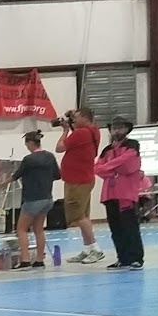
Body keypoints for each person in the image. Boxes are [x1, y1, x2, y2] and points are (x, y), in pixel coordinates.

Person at [94, 115, 145, 270]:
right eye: (114, 128)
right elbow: (97, 169)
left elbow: (129, 166)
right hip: (109, 194)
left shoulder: (132, 145)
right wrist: (114, 170)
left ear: (126, 129)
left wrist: (109, 167)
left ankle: (136, 258)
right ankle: (122, 258)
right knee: (115, 229)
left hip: (126, 193)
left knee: (130, 227)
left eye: (120, 127)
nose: (117, 131)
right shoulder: (106, 150)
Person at [4, 130, 60, 270]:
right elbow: (57, 175)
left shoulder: (29, 159)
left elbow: (16, 176)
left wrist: (2, 183)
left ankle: (25, 259)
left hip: (32, 198)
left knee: (21, 229)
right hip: (47, 197)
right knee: (39, 229)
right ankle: (39, 259)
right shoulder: (50, 156)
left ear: (30, 143)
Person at [56, 106, 104, 264]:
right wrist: (71, 125)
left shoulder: (81, 133)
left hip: (77, 180)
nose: (73, 120)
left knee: (79, 216)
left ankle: (95, 248)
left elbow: (59, 147)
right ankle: (87, 248)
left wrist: (64, 130)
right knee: (83, 215)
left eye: (76, 117)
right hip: (83, 178)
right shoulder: (93, 130)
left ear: (85, 118)